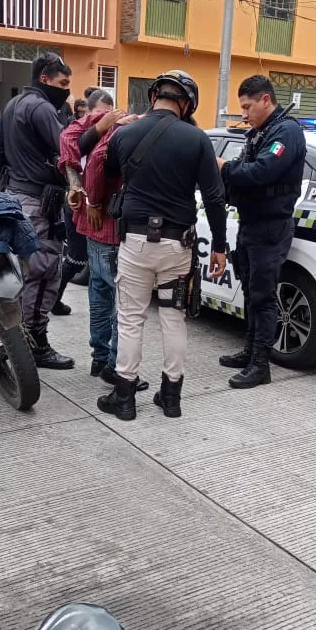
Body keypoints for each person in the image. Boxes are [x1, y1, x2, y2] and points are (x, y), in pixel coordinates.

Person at [96, 70, 227, 422]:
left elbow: (108, 172)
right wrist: (219, 246)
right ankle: (171, 397)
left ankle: (124, 397)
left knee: (131, 318)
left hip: (135, 242)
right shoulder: (197, 138)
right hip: (177, 246)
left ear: (154, 96)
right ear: (186, 104)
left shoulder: (125, 133)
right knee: (173, 317)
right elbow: (214, 198)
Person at [217, 75, 306, 389]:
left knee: (264, 297)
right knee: (251, 291)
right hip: (251, 223)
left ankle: (260, 365)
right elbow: (244, 170)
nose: (244, 113)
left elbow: (262, 171)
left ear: (265, 100)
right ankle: (250, 351)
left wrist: (224, 168)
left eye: (247, 106)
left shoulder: (286, 132)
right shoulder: (259, 132)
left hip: (271, 225)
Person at [59, 91, 147, 389]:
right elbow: (95, 162)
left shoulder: (92, 126)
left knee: (99, 291)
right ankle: (115, 365)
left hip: (94, 225)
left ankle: (100, 357)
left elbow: (69, 142)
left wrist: (81, 193)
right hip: (109, 225)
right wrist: (93, 200)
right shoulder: (119, 128)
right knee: (123, 299)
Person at [0, 52, 75, 369]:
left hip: (17, 199)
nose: (67, 88)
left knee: (23, 274)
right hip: (40, 204)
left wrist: (9, 189)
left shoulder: (13, 105)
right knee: (43, 274)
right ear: (45, 79)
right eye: (62, 82)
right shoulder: (40, 107)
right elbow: (67, 151)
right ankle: (35, 343)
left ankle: (18, 338)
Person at [52, 87, 121, 317]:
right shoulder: (76, 134)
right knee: (76, 258)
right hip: (78, 203)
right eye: (100, 113)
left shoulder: (115, 134)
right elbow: (73, 156)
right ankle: (54, 297)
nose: (106, 118)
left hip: (102, 209)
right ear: (88, 113)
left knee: (94, 265)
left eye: (109, 113)